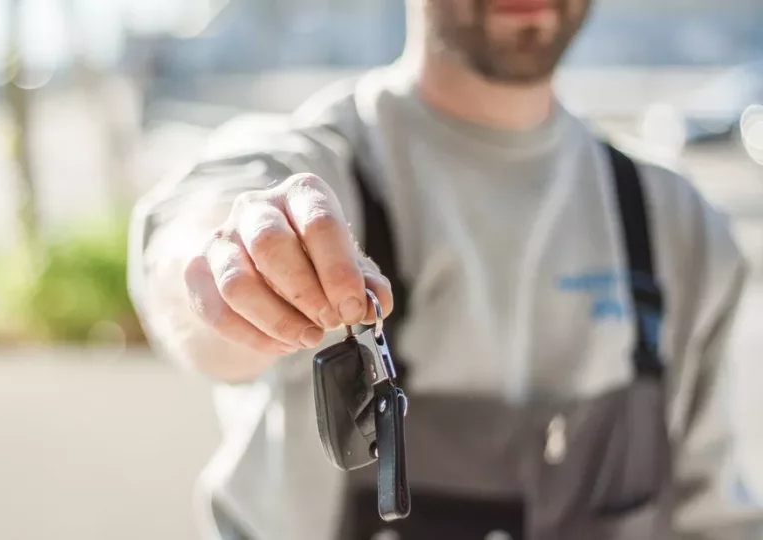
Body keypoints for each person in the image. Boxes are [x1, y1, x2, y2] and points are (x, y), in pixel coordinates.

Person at [127, 0, 763, 538]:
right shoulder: (322, 165)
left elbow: (713, 517)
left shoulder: (677, 225)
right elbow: (192, 254)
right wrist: (237, 271)